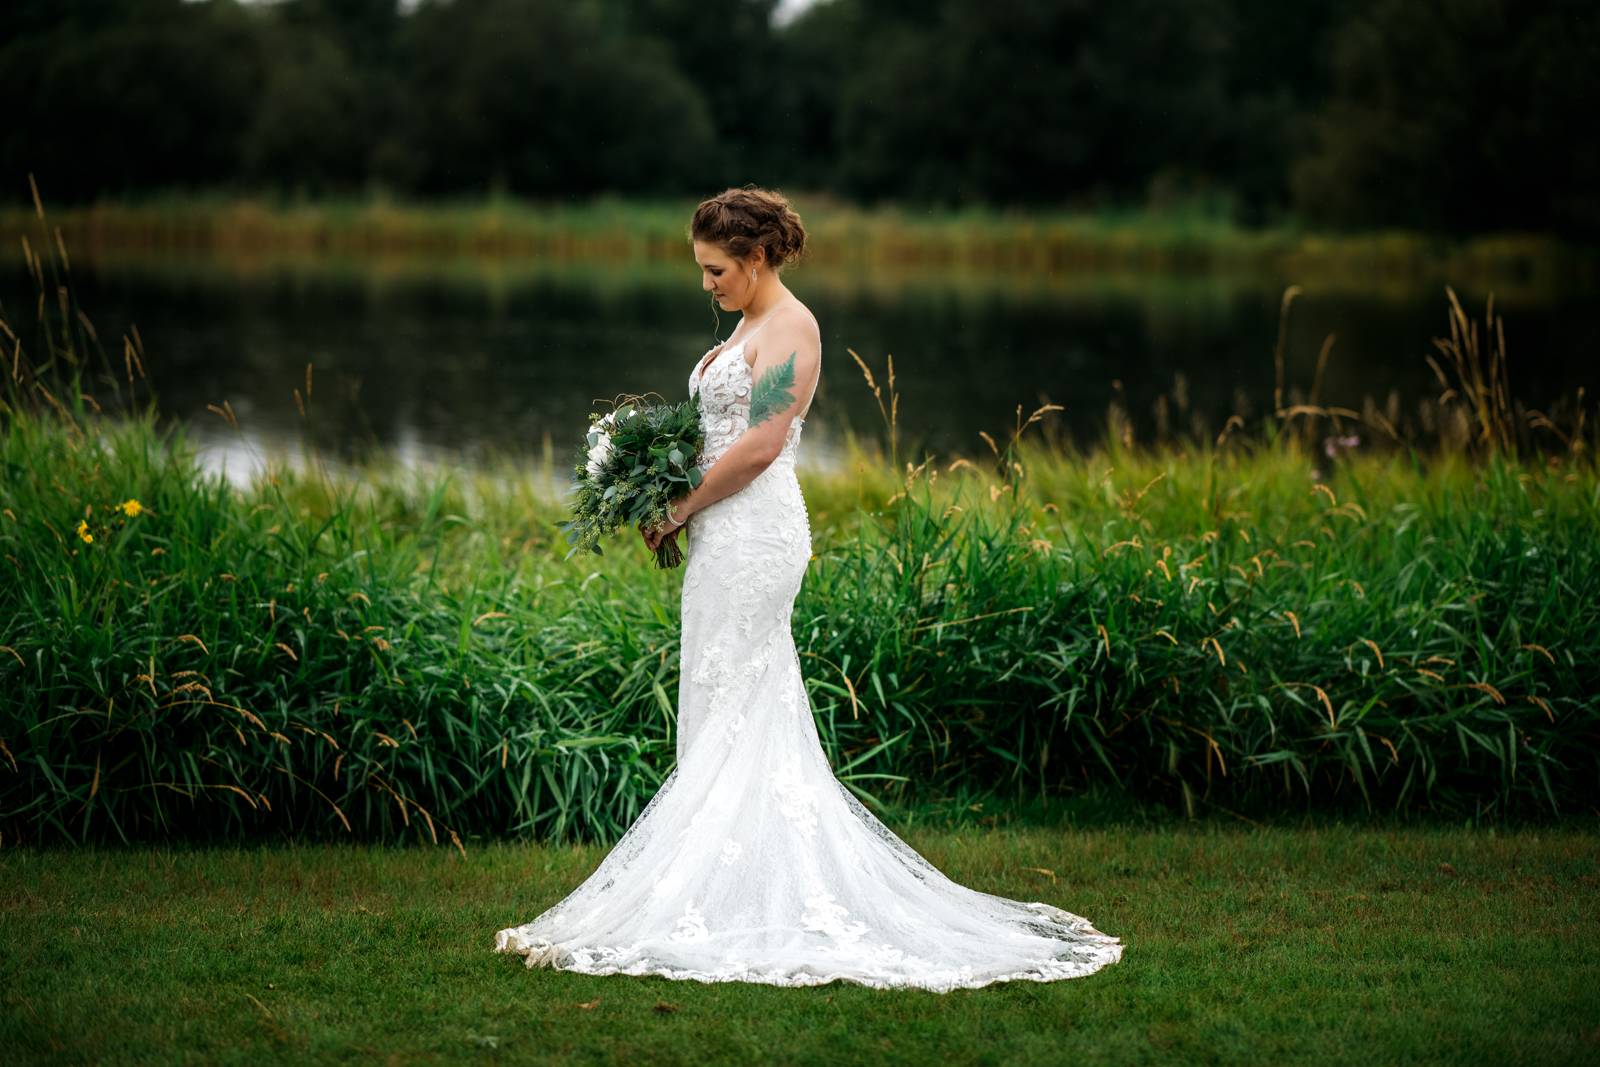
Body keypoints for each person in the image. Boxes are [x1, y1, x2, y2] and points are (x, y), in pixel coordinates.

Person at [493, 187, 1123, 991]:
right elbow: (715, 433)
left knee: (743, 696)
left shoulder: (793, 326)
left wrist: (680, 504)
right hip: (722, 531)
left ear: (755, 259)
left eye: (716, 269)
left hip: (755, 535)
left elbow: (758, 445)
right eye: (702, 270)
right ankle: (726, 884)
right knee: (723, 695)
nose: (707, 283)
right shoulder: (750, 325)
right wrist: (656, 482)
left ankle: (733, 891)